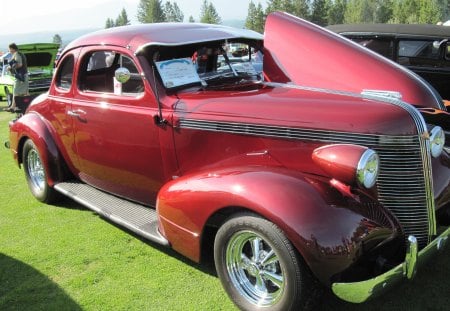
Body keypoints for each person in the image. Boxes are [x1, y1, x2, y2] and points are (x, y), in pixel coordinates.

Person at [6, 43, 29, 112]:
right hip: (24, 75)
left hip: (20, 76)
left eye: (9, 49)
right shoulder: (21, 53)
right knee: (25, 92)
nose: (9, 51)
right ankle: (16, 107)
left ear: (12, 48)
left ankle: (13, 107)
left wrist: (10, 67)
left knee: (16, 91)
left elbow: (20, 64)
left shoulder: (16, 54)